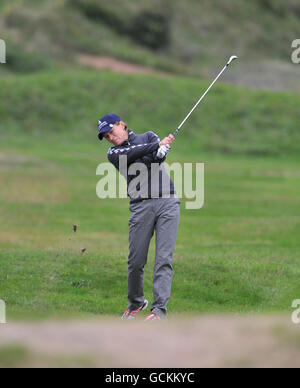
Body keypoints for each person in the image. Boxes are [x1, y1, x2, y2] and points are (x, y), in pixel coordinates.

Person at [98, 113, 180, 321]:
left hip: (167, 202)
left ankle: (159, 310)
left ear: (122, 125)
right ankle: (136, 302)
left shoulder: (149, 136)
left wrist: (162, 150)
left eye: (111, 131)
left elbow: (154, 159)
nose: (110, 137)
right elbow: (136, 154)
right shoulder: (114, 153)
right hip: (140, 205)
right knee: (136, 261)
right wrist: (157, 148)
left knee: (163, 259)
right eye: (106, 136)